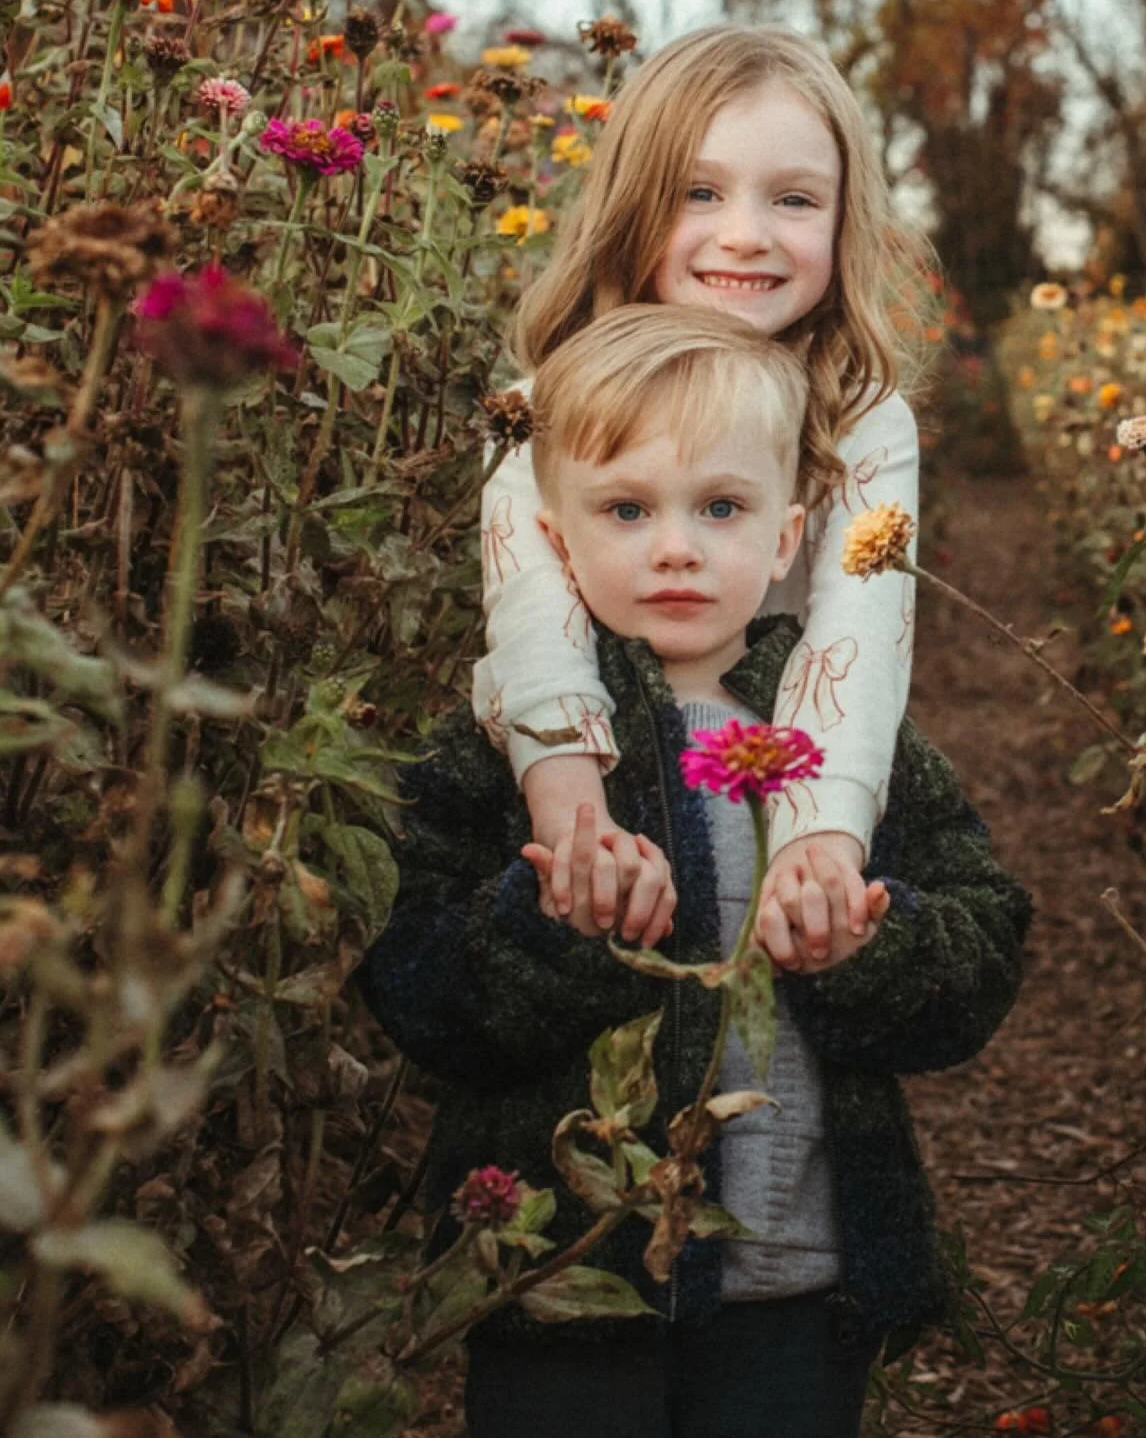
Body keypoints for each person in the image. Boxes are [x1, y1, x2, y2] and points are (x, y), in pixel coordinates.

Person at [360, 306, 1032, 1438]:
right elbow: (417, 993)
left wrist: (874, 938)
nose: (676, 546)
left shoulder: (844, 739)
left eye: (721, 508)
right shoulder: (500, 747)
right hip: (559, 1280)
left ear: (786, 538)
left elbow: (985, 939)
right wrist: (551, 927)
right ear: (558, 538)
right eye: (627, 509)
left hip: (798, 1274)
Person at [475, 24, 935, 971]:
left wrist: (821, 843)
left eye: (795, 199)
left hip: (785, 797)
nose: (745, 234)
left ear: (845, 219)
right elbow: (533, 619)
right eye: (699, 192)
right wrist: (579, 833)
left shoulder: (862, 420)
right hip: (601, 797)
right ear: (633, 205)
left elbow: (857, 638)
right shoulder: (538, 408)